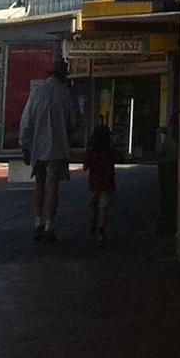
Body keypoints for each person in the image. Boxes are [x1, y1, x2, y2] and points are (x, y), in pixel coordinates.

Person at [19, 50, 77, 243]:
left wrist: (25, 146)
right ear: (63, 76)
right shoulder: (66, 94)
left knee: (39, 184)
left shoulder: (37, 92)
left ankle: (37, 222)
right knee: (53, 188)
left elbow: (26, 121)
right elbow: (75, 121)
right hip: (58, 147)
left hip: (38, 146)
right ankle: (49, 226)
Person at [85, 117, 116, 242]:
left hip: (94, 184)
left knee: (93, 207)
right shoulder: (110, 152)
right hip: (108, 184)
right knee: (103, 207)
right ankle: (101, 230)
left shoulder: (92, 153)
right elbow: (121, 158)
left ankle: (92, 226)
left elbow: (85, 167)